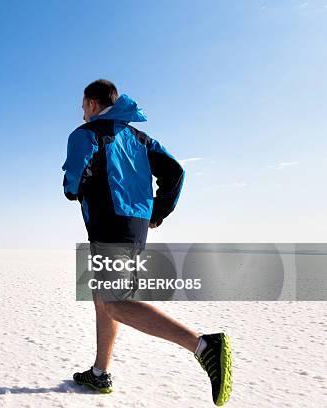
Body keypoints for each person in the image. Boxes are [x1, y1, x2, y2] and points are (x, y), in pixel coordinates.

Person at [62, 79, 232, 406]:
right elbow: (175, 172)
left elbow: (72, 180)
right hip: (133, 224)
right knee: (103, 296)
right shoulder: (140, 138)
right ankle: (100, 373)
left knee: (114, 300)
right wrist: (157, 211)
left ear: (93, 105)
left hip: (109, 224)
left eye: (84, 105)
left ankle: (203, 346)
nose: (82, 111)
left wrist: (74, 188)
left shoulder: (86, 135)